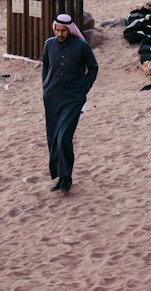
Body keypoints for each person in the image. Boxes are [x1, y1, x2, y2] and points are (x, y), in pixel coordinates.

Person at [41, 13, 99, 194]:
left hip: (73, 99)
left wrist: (84, 88)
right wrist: (45, 87)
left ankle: (67, 178)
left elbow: (94, 67)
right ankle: (61, 177)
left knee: (63, 137)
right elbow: (45, 67)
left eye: (63, 30)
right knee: (53, 138)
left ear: (70, 30)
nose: (60, 34)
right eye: (57, 30)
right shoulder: (49, 44)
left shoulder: (81, 46)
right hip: (52, 98)